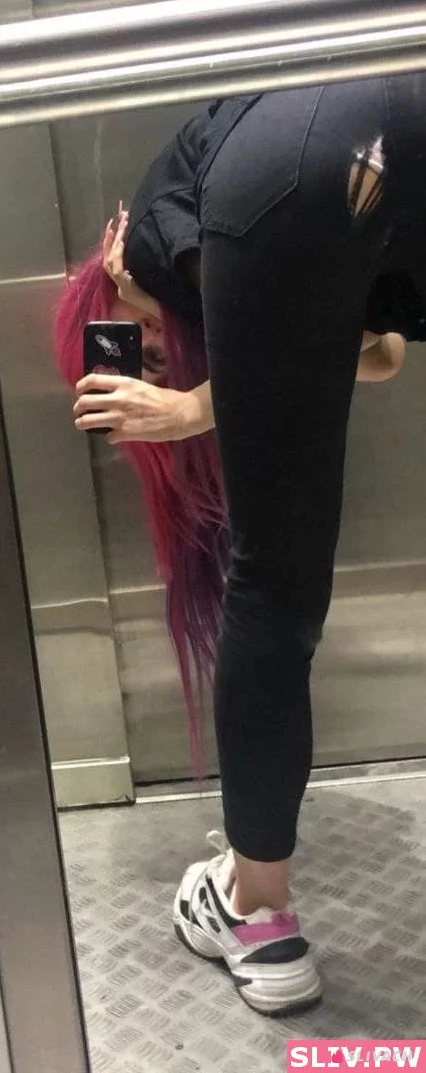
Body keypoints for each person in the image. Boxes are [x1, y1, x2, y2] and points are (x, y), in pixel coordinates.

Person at [54, 75, 426, 1016]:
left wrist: (185, 407)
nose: (154, 366)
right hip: (394, 121)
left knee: (273, 589)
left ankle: (254, 912)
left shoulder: (152, 257)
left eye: (143, 350)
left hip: (305, 141)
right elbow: (376, 353)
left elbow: (312, 354)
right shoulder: (216, 242)